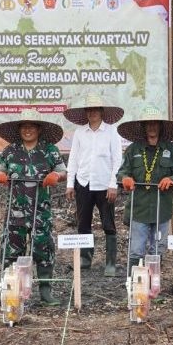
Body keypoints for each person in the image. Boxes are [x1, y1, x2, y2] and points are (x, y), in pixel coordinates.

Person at [0, 109, 67, 306]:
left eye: (31, 126)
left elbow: (62, 171)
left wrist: (56, 176)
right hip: (15, 210)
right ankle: (7, 289)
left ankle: (45, 291)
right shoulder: (11, 150)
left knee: (43, 248)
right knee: (10, 250)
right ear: (19, 129)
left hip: (40, 210)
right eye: (24, 127)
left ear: (38, 129)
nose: (28, 130)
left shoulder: (49, 150)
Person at [116, 107, 173, 272]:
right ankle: (134, 282)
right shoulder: (133, 149)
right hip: (139, 208)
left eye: (155, 123)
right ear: (143, 126)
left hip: (162, 208)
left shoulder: (172, 149)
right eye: (148, 124)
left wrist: (170, 179)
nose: (152, 127)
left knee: (158, 248)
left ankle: (154, 282)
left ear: (161, 126)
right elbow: (121, 172)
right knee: (136, 249)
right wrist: (125, 178)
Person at [62, 93, 125, 275]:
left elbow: (117, 159)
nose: (92, 112)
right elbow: (73, 159)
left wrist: (113, 184)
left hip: (104, 184)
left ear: (101, 111)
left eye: (95, 109)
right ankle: (85, 258)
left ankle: (110, 263)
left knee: (108, 223)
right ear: (86, 112)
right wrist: (70, 183)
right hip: (83, 182)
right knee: (83, 222)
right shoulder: (80, 132)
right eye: (89, 110)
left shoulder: (111, 131)